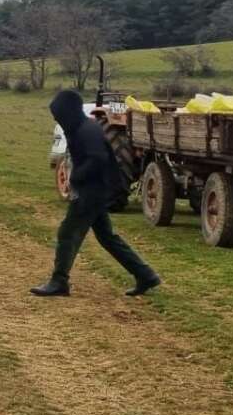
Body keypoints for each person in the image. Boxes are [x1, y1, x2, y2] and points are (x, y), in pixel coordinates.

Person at [31, 90, 160, 298]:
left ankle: (59, 281)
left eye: (58, 114)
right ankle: (145, 275)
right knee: (107, 238)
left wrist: (76, 178)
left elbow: (97, 158)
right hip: (96, 191)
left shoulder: (86, 130)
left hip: (90, 192)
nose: (56, 118)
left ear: (68, 112)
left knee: (67, 233)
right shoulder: (83, 127)